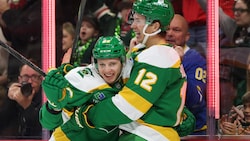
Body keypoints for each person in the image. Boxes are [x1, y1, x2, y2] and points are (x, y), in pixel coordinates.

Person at [65, 0, 187, 140]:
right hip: (138, 132)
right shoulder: (146, 52)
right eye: (133, 20)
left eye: (138, 21)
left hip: (149, 134)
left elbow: (128, 107)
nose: (133, 26)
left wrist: (88, 115)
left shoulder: (159, 56)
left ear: (154, 26)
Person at [40, 36, 133, 141]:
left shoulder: (128, 73)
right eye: (102, 64)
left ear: (122, 61)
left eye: (112, 64)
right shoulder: (82, 80)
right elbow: (48, 123)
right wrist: (53, 106)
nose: (107, 70)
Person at [165, 14, 207, 135]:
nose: (170, 33)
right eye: (167, 29)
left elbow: (195, 101)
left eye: (176, 30)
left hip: (194, 131)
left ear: (187, 36)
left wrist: (178, 66)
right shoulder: (155, 54)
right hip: (165, 128)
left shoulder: (195, 60)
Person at [6, 58, 43, 138]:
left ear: (40, 80)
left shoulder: (45, 98)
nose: (29, 81)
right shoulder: (16, 94)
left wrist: (27, 106)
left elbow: (41, 128)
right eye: (26, 77)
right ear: (19, 79)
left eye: (34, 77)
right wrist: (10, 98)